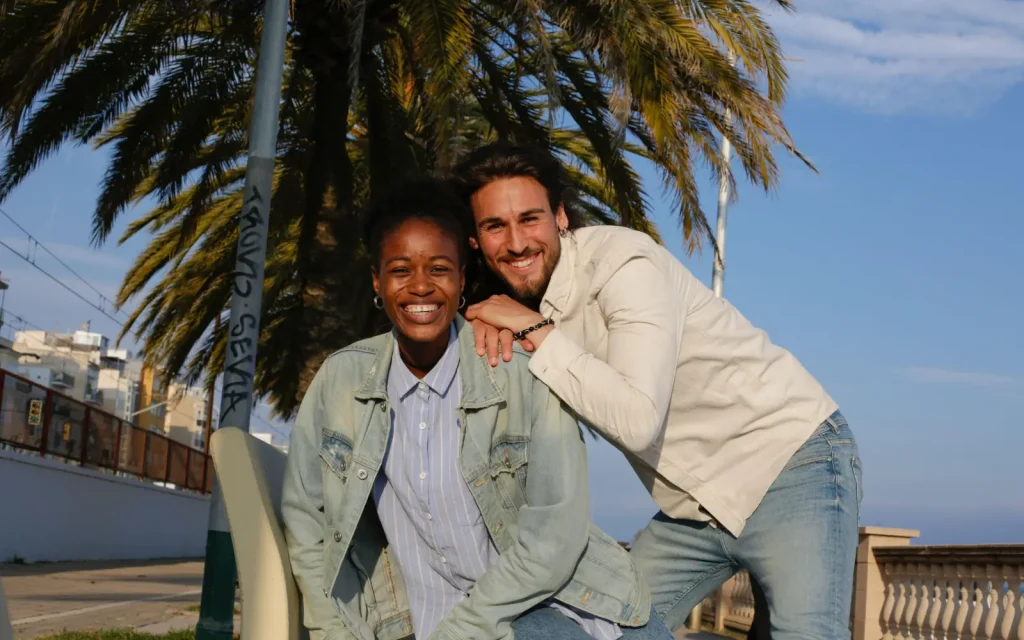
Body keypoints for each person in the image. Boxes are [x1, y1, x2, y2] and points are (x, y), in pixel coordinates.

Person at [453, 142, 862, 640]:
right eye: (495, 226)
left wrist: (536, 330)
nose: (516, 242)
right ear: (475, 240)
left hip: (789, 465)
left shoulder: (623, 262)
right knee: (601, 625)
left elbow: (638, 417)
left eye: (530, 219)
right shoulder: (513, 309)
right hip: (693, 510)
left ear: (560, 216)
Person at [281, 176, 673, 640]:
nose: (421, 287)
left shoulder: (519, 372)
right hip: (428, 622)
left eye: (440, 269)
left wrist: (461, 632)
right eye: (401, 270)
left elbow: (555, 533)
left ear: (462, 279)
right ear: (377, 280)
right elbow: (307, 520)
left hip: (558, 609)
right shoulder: (341, 381)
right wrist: (332, 633)